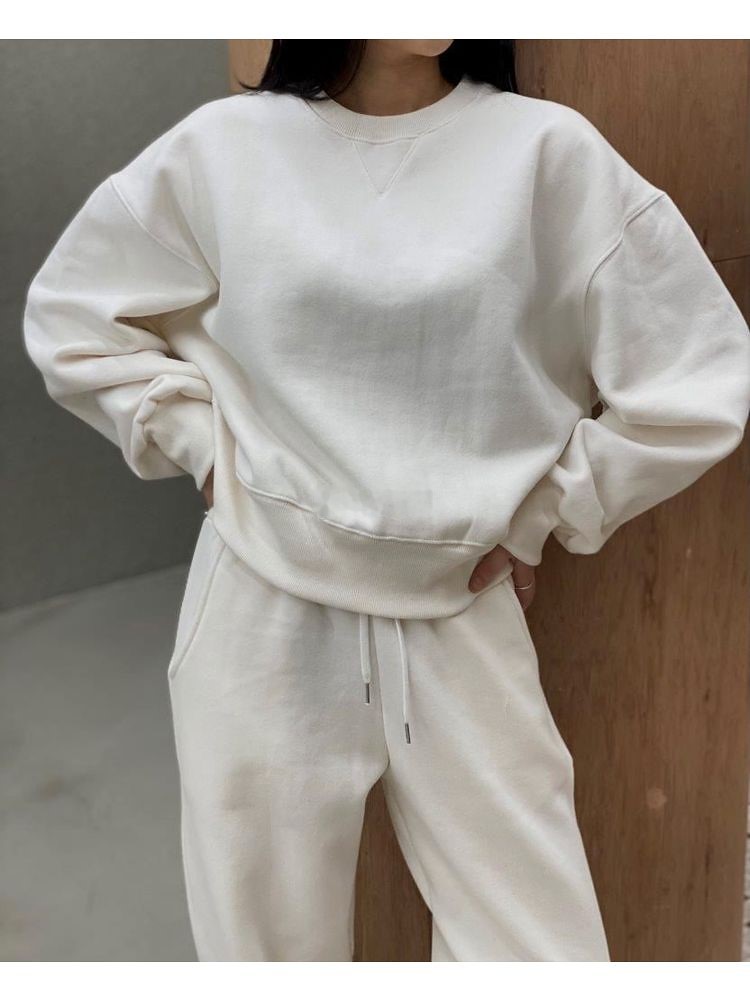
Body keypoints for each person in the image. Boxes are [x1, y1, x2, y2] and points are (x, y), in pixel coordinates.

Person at [22, 39, 750, 962]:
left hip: (460, 610)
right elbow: (73, 315)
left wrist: (547, 513)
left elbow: (696, 380)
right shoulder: (225, 149)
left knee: (540, 954)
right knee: (264, 956)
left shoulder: (547, 154)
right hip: (259, 610)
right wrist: (204, 451)